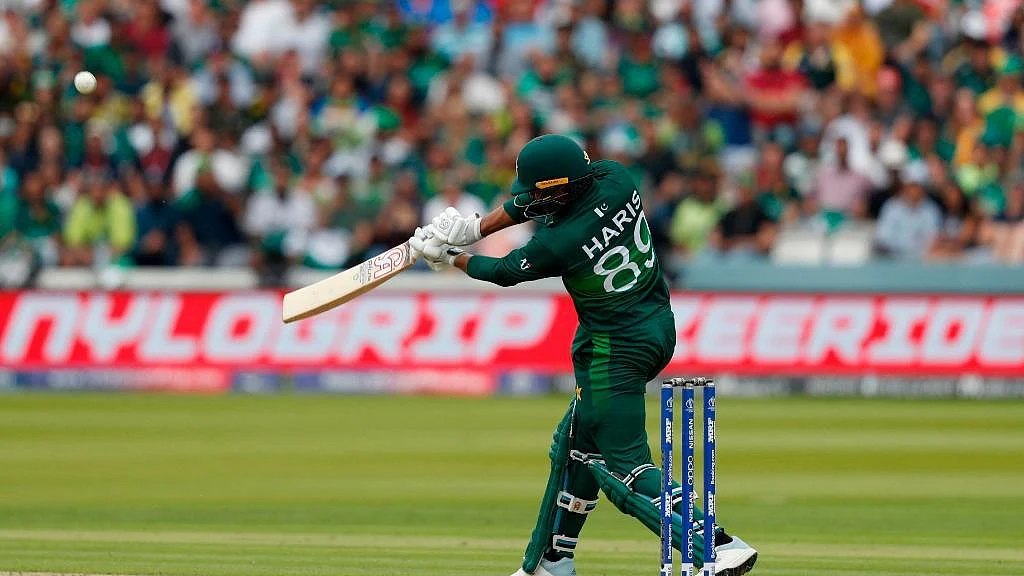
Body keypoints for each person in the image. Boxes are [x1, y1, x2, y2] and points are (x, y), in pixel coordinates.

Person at [408, 134, 758, 576]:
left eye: (538, 192)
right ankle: (552, 561)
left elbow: (501, 271)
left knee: (623, 468)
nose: (529, 201)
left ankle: (716, 545)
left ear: (559, 189)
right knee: (574, 444)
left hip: (614, 351)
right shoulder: (615, 177)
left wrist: (450, 257)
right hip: (654, 324)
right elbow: (526, 206)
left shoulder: (560, 241)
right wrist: (474, 229)